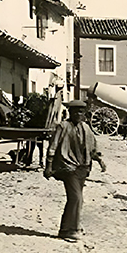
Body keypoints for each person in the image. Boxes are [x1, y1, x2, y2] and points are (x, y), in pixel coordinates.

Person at [43, 100, 105, 242]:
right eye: (75, 111)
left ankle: (65, 228)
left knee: (76, 199)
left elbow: (92, 147)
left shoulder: (86, 128)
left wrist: (99, 160)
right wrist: (48, 166)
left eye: (81, 112)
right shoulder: (63, 127)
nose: (78, 114)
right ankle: (73, 229)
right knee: (76, 197)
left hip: (83, 167)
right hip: (67, 166)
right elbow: (52, 147)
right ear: (70, 112)